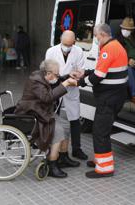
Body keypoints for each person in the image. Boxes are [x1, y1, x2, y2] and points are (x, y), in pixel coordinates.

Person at [77, 23, 128, 178]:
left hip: (108, 98)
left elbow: (98, 77)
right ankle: (100, 160)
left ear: (103, 35)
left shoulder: (108, 49)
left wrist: (80, 82)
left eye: (96, 35)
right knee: (102, 130)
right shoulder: (116, 45)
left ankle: (105, 168)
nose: (95, 39)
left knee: (100, 132)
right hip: (115, 96)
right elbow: (104, 70)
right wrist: (85, 71)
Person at [14, 59, 79, 178]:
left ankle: (63, 157)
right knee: (58, 130)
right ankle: (52, 163)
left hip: (41, 111)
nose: (57, 77)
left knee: (65, 125)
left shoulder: (43, 77)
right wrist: (65, 84)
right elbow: (47, 98)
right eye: (56, 74)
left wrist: (67, 77)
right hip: (31, 113)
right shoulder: (36, 81)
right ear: (48, 73)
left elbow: (55, 82)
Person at [45, 30, 88, 160]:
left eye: (70, 45)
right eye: (65, 44)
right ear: (60, 40)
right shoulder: (51, 51)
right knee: (55, 119)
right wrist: (65, 77)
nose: (67, 48)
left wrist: (79, 74)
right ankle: (54, 150)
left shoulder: (78, 51)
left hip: (72, 90)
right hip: (56, 89)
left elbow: (81, 69)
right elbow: (48, 74)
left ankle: (77, 149)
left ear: (74, 42)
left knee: (74, 119)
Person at [116, 17, 135, 104]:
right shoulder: (117, 39)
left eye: (129, 30)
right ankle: (134, 95)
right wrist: (128, 60)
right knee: (128, 69)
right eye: (125, 29)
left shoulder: (133, 37)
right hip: (124, 63)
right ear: (122, 28)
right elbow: (117, 55)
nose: (127, 31)